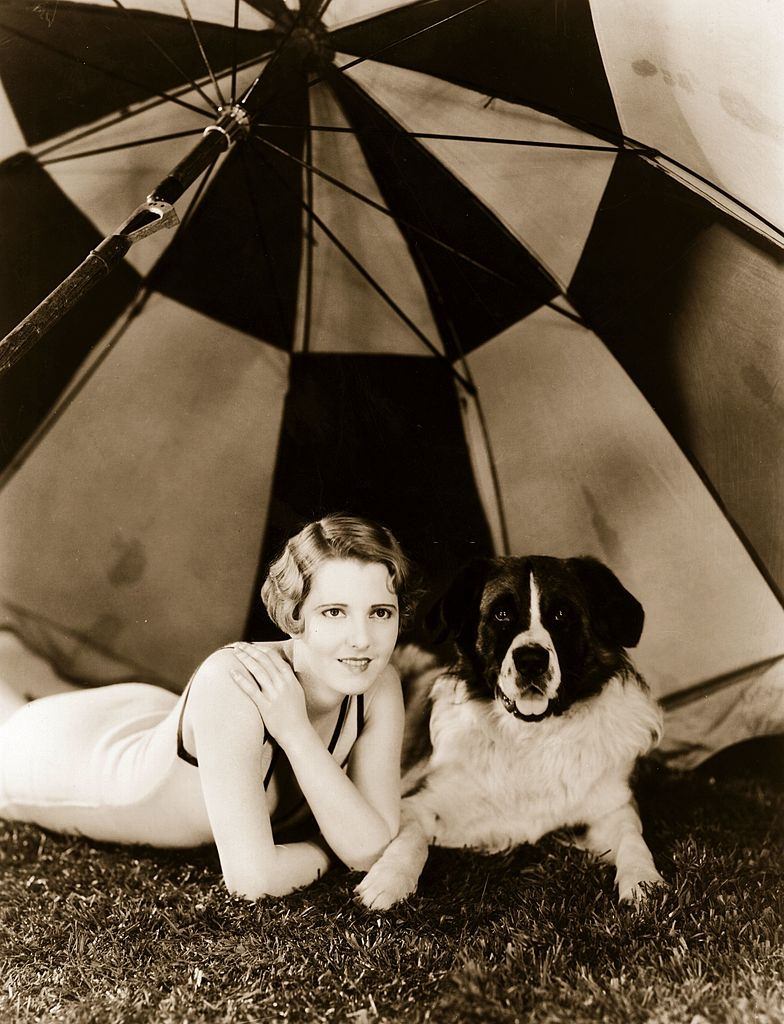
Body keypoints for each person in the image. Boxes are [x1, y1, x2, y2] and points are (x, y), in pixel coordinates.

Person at [0, 515, 412, 899]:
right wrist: (328, 845)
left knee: (31, 681)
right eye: (334, 612)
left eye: (380, 612)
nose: (362, 639)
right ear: (293, 616)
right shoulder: (234, 681)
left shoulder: (378, 681)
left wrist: (296, 732)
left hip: (148, 712)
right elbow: (254, 880)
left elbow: (372, 849)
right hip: (85, 765)